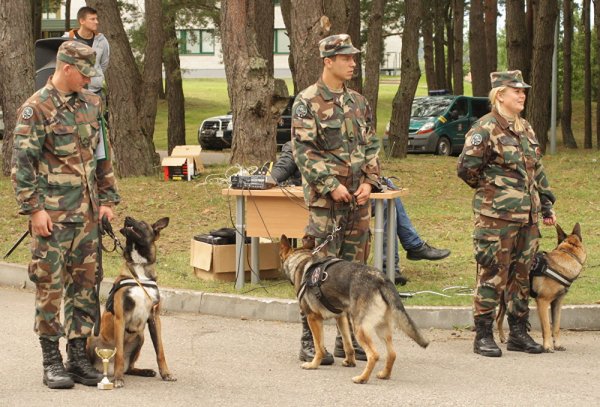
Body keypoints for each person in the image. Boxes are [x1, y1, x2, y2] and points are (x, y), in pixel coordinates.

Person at [11, 41, 120, 388]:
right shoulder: (36, 109)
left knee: (86, 288)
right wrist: (34, 209)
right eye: (84, 73)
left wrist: (107, 200)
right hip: (52, 218)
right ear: (67, 68)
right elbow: (22, 165)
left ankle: (77, 358)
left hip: (87, 216)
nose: (88, 80)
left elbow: (102, 154)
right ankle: (51, 361)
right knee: (50, 288)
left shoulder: (92, 103)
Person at [291, 33, 380, 365]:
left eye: (354, 58)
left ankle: (349, 342)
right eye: (346, 58)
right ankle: (310, 341)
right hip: (326, 205)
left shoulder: (358, 101)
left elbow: (370, 147)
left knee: (355, 272)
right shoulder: (307, 101)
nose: (353, 63)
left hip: (358, 202)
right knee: (318, 272)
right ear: (328, 61)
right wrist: (330, 184)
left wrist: (370, 182)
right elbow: (304, 152)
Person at [457, 70, 556, 358]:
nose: (522, 94)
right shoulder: (484, 129)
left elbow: (536, 169)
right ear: (500, 94)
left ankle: (518, 332)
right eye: (517, 90)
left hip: (527, 217)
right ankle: (484, 334)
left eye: (524, 90)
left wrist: (546, 202)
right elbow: (466, 169)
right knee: (492, 273)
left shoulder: (525, 128)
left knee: (521, 276)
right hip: (495, 218)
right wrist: (494, 191)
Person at [271, 141, 450, 287]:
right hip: (321, 204)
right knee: (388, 203)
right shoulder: (299, 144)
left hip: (352, 200)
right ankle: (402, 255)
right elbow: (279, 171)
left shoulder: (346, 143)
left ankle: (397, 261)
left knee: (388, 198)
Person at [66, 6, 109, 98]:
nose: (96, 22)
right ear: (82, 21)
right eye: (92, 19)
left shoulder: (102, 40)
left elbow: (103, 64)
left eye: (96, 19)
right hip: (72, 93)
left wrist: (94, 78)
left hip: (96, 93)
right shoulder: (67, 39)